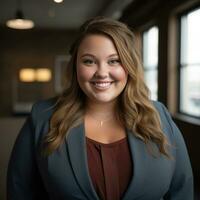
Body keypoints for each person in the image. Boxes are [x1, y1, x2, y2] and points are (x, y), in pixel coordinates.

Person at [7, 16, 193, 200]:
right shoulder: (42, 116)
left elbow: (181, 189)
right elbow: (20, 189)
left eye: (114, 61)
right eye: (89, 61)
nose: (102, 73)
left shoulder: (159, 116)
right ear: (75, 67)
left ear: (129, 66)